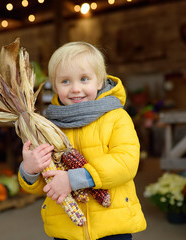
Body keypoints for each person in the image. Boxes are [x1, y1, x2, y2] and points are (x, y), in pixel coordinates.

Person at [18, 41, 146, 240]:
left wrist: (73, 180)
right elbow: (43, 184)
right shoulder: (48, 127)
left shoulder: (116, 117)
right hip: (66, 228)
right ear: (54, 85)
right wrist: (30, 169)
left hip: (112, 225)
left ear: (100, 81)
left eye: (84, 79)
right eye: (65, 81)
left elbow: (126, 161)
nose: (75, 88)